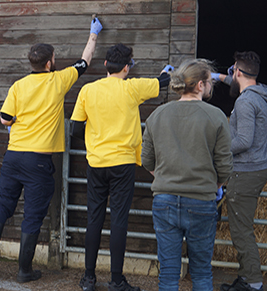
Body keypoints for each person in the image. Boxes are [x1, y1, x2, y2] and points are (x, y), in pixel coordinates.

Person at [0, 17, 103, 283]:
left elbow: (4, 118)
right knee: (32, 215)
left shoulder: (18, 85)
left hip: (13, 156)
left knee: (2, 204)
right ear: (49, 63)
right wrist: (93, 35)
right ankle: (24, 271)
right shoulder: (58, 80)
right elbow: (84, 62)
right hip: (38, 162)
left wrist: (16, 124)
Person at [70, 43, 172, 291]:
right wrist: (165, 72)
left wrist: (96, 139)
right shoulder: (133, 88)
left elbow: (75, 130)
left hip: (96, 163)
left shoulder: (87, 90)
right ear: (127, 67)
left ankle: (89, 279)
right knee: (118, 220)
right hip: (124, 164)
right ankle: (116, 280)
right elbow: (162, 82)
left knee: (94, 218)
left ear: (105, 64)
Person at [141, 59, 234, 290]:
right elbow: (225, 166)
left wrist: (164, 177)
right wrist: (216, 185)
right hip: (201, 200)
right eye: (210, 81)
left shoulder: (157, 115)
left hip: (164, 200)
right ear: (201, 85)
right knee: (201, 272)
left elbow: (147, 161)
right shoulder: (216, 116)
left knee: (169, 273)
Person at [212, 51, 267, 291]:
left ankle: (253, 283)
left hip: (245, 172)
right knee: (242, 227)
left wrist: (218, 151)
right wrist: (216, 76)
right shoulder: (259, 93)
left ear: (238, 71)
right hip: (255, 169)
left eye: (232, 70)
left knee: (241, 231)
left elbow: (243, 141)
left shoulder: (246, 101)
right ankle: (247, 278)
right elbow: (237, 82)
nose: (231, 74)